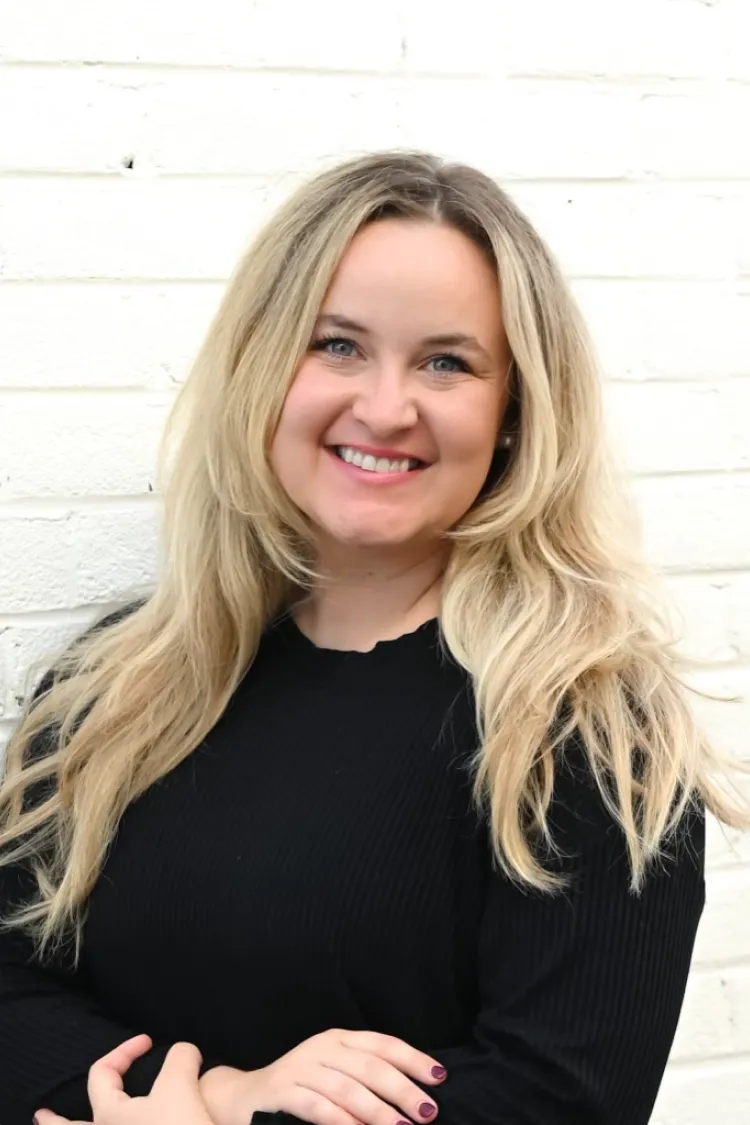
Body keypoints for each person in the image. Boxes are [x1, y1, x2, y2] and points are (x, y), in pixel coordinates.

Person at [1, 150, 747, 1125]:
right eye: (338, 345)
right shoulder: (118, 683)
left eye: (447, 362)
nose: (386, 408)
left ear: (514, 411)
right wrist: (223, 1097)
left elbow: (558, 1100)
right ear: (263, 370)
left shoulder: (584, 728)